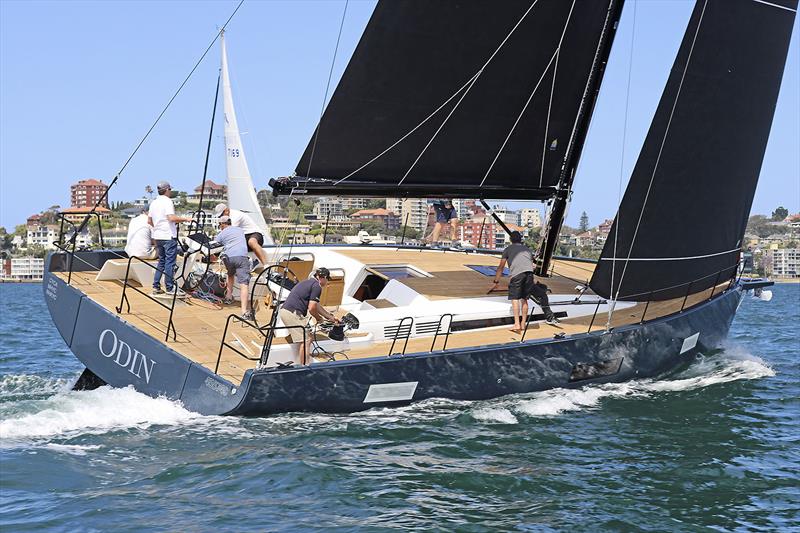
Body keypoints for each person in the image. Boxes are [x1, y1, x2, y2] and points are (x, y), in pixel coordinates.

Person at [491, 231, 558, 332]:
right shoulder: (527, 250)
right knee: (524, 299)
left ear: (510, 240)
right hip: (529, 275)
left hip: (517, 275)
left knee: (515, 299)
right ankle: (523, 324)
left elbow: (500, 267)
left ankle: (517, 324)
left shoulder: (507, 249)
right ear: (520, 239)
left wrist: (496, 281)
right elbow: (531, 266)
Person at [279, 267, 340, 365]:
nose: (327, 282)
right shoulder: (317, 286)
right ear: (323, 277)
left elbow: (317, 306)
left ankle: (302, 358)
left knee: (308, 336)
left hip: (286, 311)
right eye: (327, 279)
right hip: (292, 313)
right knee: (306, 340)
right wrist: (319, 319)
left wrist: (330, 317)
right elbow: (312, 308)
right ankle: (304, 367)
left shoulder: (308, 282)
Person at [148, 181, 192, 296]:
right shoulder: (167, 202)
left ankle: (156, 286)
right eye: (170, 190)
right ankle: (170, 287)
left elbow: (149, 221)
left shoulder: (154, 203)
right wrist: (186, 219)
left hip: (158, 236)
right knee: (170, 263)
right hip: (168, 236)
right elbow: (171, 218)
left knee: (161, 261)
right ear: (167, 190)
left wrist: (158, 228)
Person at [216, 216, 254, 321]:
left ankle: (228, 297)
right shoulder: (240, 230)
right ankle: (244, 311)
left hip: (229, 258)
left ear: (222, 224)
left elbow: (215, 245)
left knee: (230, 273)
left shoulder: (221, 234)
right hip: (241, 257)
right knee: (244, 284)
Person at [213, 203, 268, 268]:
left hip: (255, 234)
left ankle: (266, 265)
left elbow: (229, 232)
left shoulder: (235, 216)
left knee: (251, 242)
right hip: (244, 238)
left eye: (222, 214)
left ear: (226, 210)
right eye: (220, 216)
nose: (221, 217)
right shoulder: (226, 219)